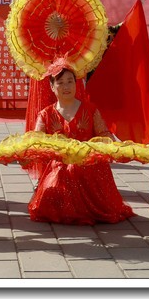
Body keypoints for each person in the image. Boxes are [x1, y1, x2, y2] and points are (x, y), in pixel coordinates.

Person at [27, 61, 134, 225]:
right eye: (60, 83)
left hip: (90, 166)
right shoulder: (45, 114)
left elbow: (104, 134)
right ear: (52, 87)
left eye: (70, 81)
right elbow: (37, 141)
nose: (66, 86)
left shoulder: (90, 110)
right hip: (60, 167)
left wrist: (113, 146)